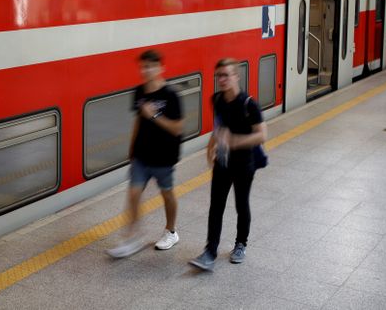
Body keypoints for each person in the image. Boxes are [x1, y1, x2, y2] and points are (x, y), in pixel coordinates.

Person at [190, 58, 267, 272]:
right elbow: (219, 126)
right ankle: (210, 251)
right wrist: (211, 146)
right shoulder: (216, 99)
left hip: (245, 164)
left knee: (241, 205)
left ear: (236, 76)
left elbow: (262, 135)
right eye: (219, 76)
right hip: (222, 162)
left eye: (226, 75)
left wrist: (234, 141)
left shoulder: (249, 103)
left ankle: (241, 244)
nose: (222, 79)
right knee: (216, 206)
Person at [107, 49, 183, 258]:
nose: (146, 70)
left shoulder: (171, 95)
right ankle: (132, 237)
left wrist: (155, 114)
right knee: (133, 194)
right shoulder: (139, 92)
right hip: (142, 155)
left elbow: (177, 128)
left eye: (150, 66)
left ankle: (171, 231)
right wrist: (131, 147)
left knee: (167, 194)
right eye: (143, 66)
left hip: (164, 157)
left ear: (160, 68)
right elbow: (139, 121)